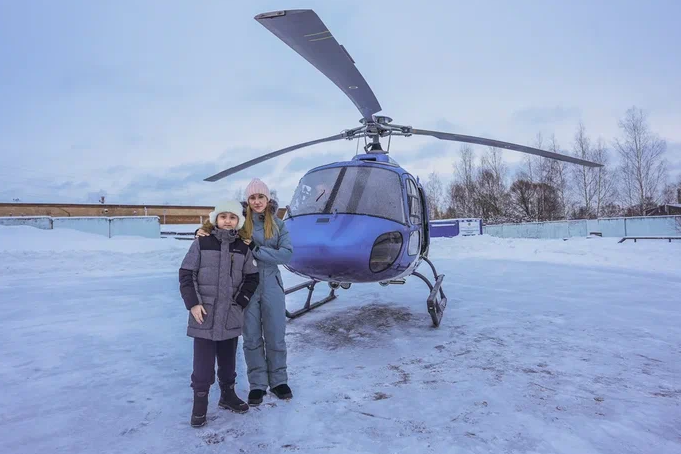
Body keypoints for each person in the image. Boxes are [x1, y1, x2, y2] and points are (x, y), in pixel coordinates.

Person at [196, 178, 293, 405]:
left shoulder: (278, 224)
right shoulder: (240, 223)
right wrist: (202, 230)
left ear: (268, 199)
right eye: (252, 197)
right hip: (245, 284)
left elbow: (286, 254)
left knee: (275, 335)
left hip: (272, 284)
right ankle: (257, 384)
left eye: (261, 197)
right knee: (251, 337)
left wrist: (256, 250)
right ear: (247, 201)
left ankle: (279, 381)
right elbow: (220, 229)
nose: (257, 201)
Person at [179, 200, 260, 428]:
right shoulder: (202, 243)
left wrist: (240, 302)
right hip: (203, 314)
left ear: (238, 221)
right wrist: (193, 304)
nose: (227, 220)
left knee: (228, 360)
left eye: (232, 217)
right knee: (202, 365)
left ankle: (227, 396)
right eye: (223, 216)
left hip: (230, 314)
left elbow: (252, 277)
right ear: (215, 219)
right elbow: (186, 273)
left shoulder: (243, 247)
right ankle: (200, 403)